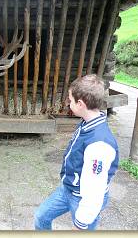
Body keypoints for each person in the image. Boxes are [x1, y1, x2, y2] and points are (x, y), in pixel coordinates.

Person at [34, 74, 119, 231]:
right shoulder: (87, 123)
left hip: (83, 197)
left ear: (80, 104)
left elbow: (94, 191)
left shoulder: (99, 145)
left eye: (70, 100)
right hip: (68, 188)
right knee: (41, 216)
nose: (68, 103)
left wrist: (81, 223)